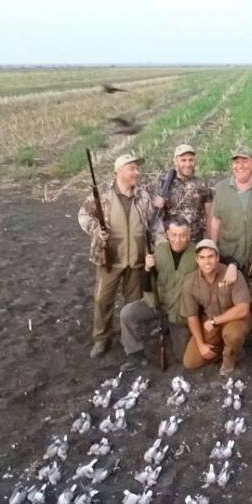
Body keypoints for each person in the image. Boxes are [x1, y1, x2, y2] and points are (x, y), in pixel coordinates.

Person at [78, 153, 163, 358]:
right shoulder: (104, 196)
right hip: (110, 259)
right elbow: (83, 215)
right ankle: (101, 338)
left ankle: (131, 342)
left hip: (136, 260)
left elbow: (154, 224)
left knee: (132, 303)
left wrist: (160, 245)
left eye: (136, 168)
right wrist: (96, 229)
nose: (137, 172)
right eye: (132, 168)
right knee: (102, 300)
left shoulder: (142, 196)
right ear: (119, 172)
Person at [119, 217, 197, 369]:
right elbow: (146, 286)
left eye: (182, 235)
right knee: (127, 313)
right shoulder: (159, 251)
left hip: (180, 311)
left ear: (189, 235)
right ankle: (135, 353)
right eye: (174, 235)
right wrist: (147, 269)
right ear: (167, 234)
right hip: (157, 303)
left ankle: (173, 328)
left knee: (183, 356)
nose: (178, 240)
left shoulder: (197, 254)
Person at [181, 239, 251, 376]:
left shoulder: (232, 274)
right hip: (210, 322)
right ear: (197, 260)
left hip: (235, 319)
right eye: (202, 257)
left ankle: (230, 357)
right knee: (190, 361)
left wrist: (215, 321)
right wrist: (201, 345)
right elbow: (192, 316)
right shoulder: (190, 282)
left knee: (233, 334)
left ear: (218, 257)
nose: (207, 262)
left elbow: (243, 309)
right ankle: (226, 349)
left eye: (210, 256)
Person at [210, 146, 252, 277]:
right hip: (228, 257)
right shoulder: (221, 188)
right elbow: (215, 220)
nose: (240, 166)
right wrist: (213, 248)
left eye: (245, 161)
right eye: (236, 162)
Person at [153, 143, 213, 241]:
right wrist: (156, 205)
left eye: (191, 160)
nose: (188, 164)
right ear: (175, 161)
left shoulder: (203, 185)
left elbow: (209, 215)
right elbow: (155, 216)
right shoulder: (163, 184)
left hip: (195, 241)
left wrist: (210, 240)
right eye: (183, 160)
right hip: (172, 242)